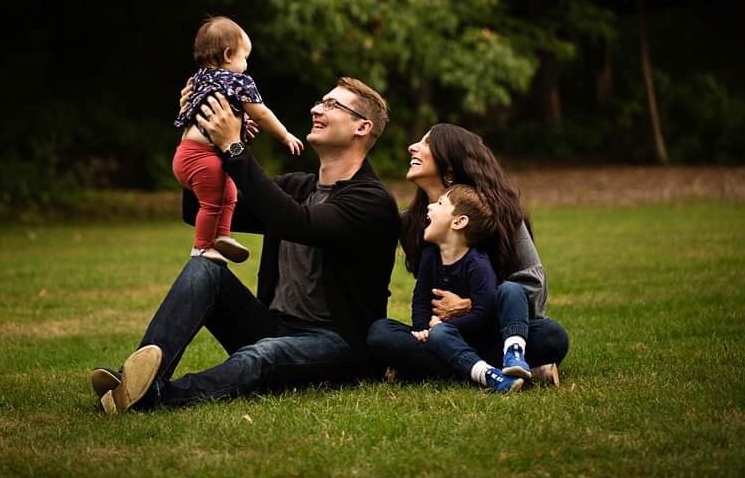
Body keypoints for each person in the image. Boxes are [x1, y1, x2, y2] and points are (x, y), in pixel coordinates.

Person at [90, 77, 399, 414]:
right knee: (205, 267)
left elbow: (296, 223)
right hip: (274, 326)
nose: (316, 109)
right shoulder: (298, 187)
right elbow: (196, 207)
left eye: (332, 105)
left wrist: (235, 149)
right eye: (320, 101)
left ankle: (156, 396)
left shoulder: (372, 201)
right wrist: (200, 137)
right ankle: (137, 380)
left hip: (337, 345)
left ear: (362, 127)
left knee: (261, 355)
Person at [367, 123, 569, 386]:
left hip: (494, 331)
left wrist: (474, 305)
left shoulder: (501, 214)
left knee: (551, 337)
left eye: (427, 143)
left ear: (449, 170)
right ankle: (505, 370)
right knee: (381, 335)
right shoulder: (412, 223)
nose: (412, 146)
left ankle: (439, 368)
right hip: (441, 333)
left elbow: (532, 285)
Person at [172, 16, 304, 263]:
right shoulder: (238, 81)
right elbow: (262, 113)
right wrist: (284, 135)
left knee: (229, 192)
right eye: (245, 57)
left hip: (186, 153)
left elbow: (204, 116)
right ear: (229, 54)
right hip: (203, 157)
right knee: (213, 202)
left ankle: (222, 236)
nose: (246, 65)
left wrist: (242, 125)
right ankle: (201, 246)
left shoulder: (200, 79)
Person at [409, 184, 524, 394]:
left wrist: (444, 326)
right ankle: (492, 375)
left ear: (459, 221)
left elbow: (484, 313)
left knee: (513, 291)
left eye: (440, 203)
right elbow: (420, 299)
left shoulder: (477, 264)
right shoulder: (429, 257)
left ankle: (514, 356)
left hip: (480, 334)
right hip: (446, 337)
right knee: (383, 332)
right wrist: (421, 328)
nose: (430, 207)